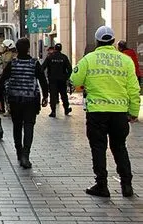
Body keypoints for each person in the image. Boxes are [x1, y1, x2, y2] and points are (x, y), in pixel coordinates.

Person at [70, 26, 140, 198]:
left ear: (97, 41)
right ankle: (127, 185)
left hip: (97, 112)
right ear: (113, 41)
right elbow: (133, 88)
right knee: (119, 147)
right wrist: (133, 111)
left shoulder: (89, 59)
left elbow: (74, 79)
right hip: (119, 112)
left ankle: (102, 185)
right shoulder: (125, 61)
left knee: (98, 148)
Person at [0, 38, 49, 169]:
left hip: (15, 100)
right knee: (29, 126)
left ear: (17, 49)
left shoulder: (12, 63)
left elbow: (2, 81)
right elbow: (42, 80)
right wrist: (46, 96)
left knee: (17, 126)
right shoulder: (34, 63)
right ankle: (26, 155)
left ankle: (19, 152)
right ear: (29, 48)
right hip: (31, 100)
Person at [42, 43, 73, 117]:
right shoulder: (64, 57)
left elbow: (42, 67)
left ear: (55, 49)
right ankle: (66, 109)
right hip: (62, 80)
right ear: (61, 49)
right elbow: (69, 69)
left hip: (52, 80)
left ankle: (53, 111)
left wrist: (44, 77)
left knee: (53, 96)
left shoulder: (50, 57)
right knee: (64, 95)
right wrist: (67, 77)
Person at [0, 39, 18, 117]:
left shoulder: (14, 55)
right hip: (6, 77)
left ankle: (11, 108)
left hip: (12, 77)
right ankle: (8, 109)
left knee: (10, 94)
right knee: (6, 94)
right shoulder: (4, 55)